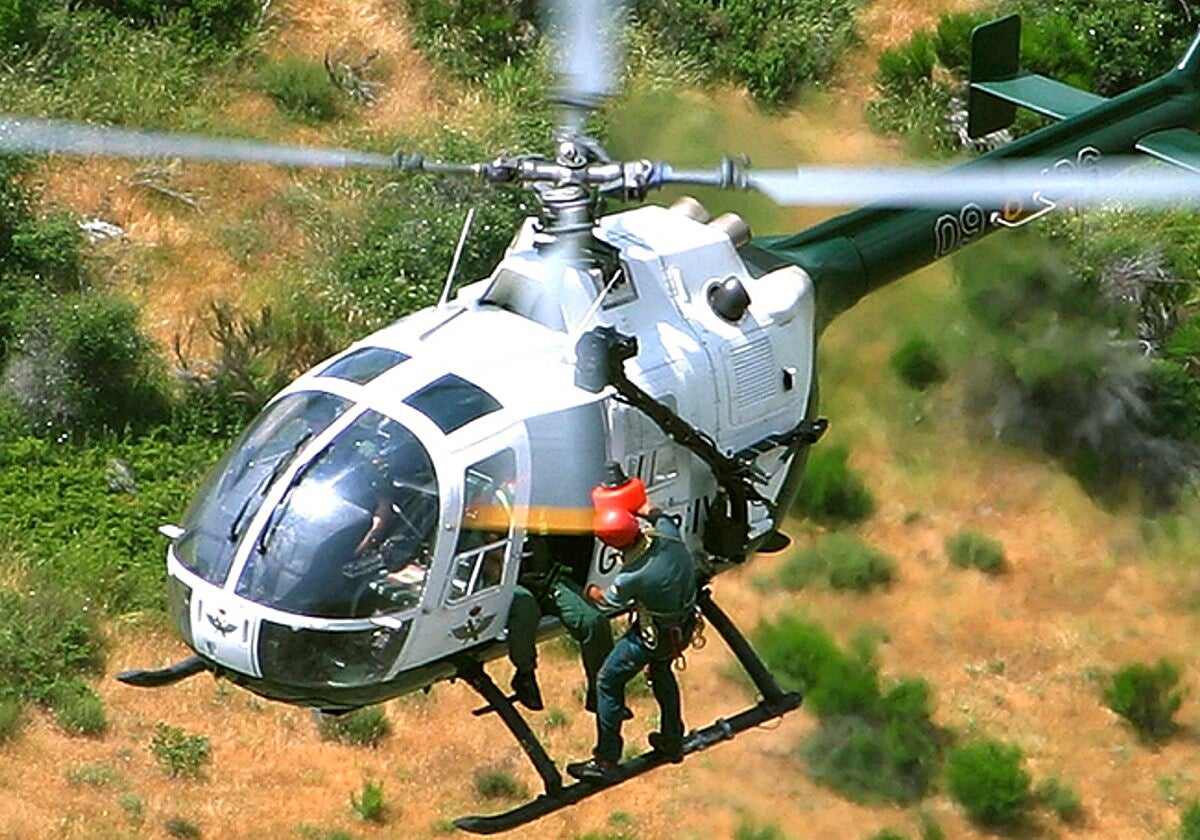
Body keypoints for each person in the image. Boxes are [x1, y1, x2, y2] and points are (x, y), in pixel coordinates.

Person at [566, 501, 699, 782]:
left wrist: (589, 590)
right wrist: (627, 501)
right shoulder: (669, 533)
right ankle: (673, 739)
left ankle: (606, 760)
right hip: (684, 626)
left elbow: (607, 603)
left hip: (653, 637)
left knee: (607, 681)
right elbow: (654, 510)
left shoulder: (632, 575)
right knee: (662, 669)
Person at [505, 534, 613, 712]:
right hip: (507, 584)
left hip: (547, 578)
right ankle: (525, 674)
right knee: (525, 610)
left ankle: (601, 692)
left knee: (593, 621)